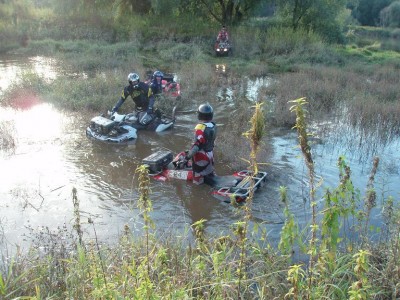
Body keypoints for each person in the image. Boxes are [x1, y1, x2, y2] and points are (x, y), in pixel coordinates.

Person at [185, 103, 217, 185]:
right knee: (209, 172)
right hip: (210, 154)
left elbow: (197, 146)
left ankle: (197, 192)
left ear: (200, 115)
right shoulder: (213, 126)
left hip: (201, 157)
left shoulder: (200, 128)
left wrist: (187, 157)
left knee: (197, 180)